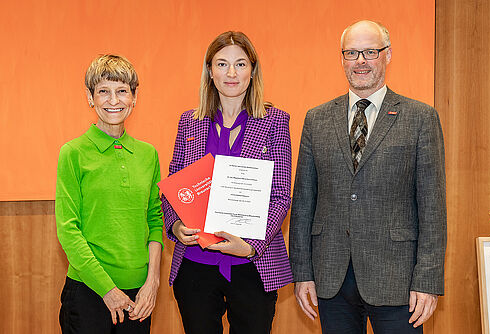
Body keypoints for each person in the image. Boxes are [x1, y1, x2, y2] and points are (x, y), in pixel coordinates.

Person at [289, 20, 446, 334]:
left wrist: (428, 280)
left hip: (398, 279)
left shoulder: (420, 117)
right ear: (342, 58)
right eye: (351, 53)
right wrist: (302, 273)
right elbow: (304, 202)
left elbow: (432, 208)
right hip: (331, 279)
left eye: (370, 52)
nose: (360, 61)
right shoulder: (317, 119)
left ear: (387, 55)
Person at [161, 31, 293, 334]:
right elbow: (172, 187)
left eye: (240, 64)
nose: (231, 73)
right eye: (221, 64)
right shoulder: (188, 122)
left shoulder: (275, 122)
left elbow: (281, 195)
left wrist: (250, 247)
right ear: (210, 71)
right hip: (195, 264)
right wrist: (175, 228)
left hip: (251, 265)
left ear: (252, 70)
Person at [55, 54, 163, 333]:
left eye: (121, 91)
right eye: (103, 91)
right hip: (88, 293)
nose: (113, 100)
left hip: (140, 297)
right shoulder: (73, 153)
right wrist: (107, 290)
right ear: (90, 98)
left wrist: (152, 283)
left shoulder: (148, 154)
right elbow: (68, 230)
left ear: (134, 97)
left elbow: (155, 221)